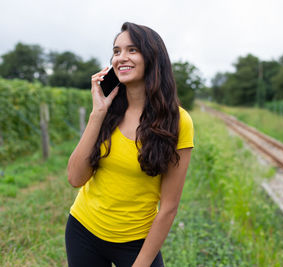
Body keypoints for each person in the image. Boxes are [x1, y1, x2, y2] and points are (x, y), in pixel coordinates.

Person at [65, 22, 194, 267]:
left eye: (132, 50)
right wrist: (97, 114)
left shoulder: (177, 122)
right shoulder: (108, 111)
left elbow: (168, 207)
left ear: (152, 58)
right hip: (83, 230)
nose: (121, 58)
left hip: (137, 241)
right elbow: (75, 178)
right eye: (116, 51)